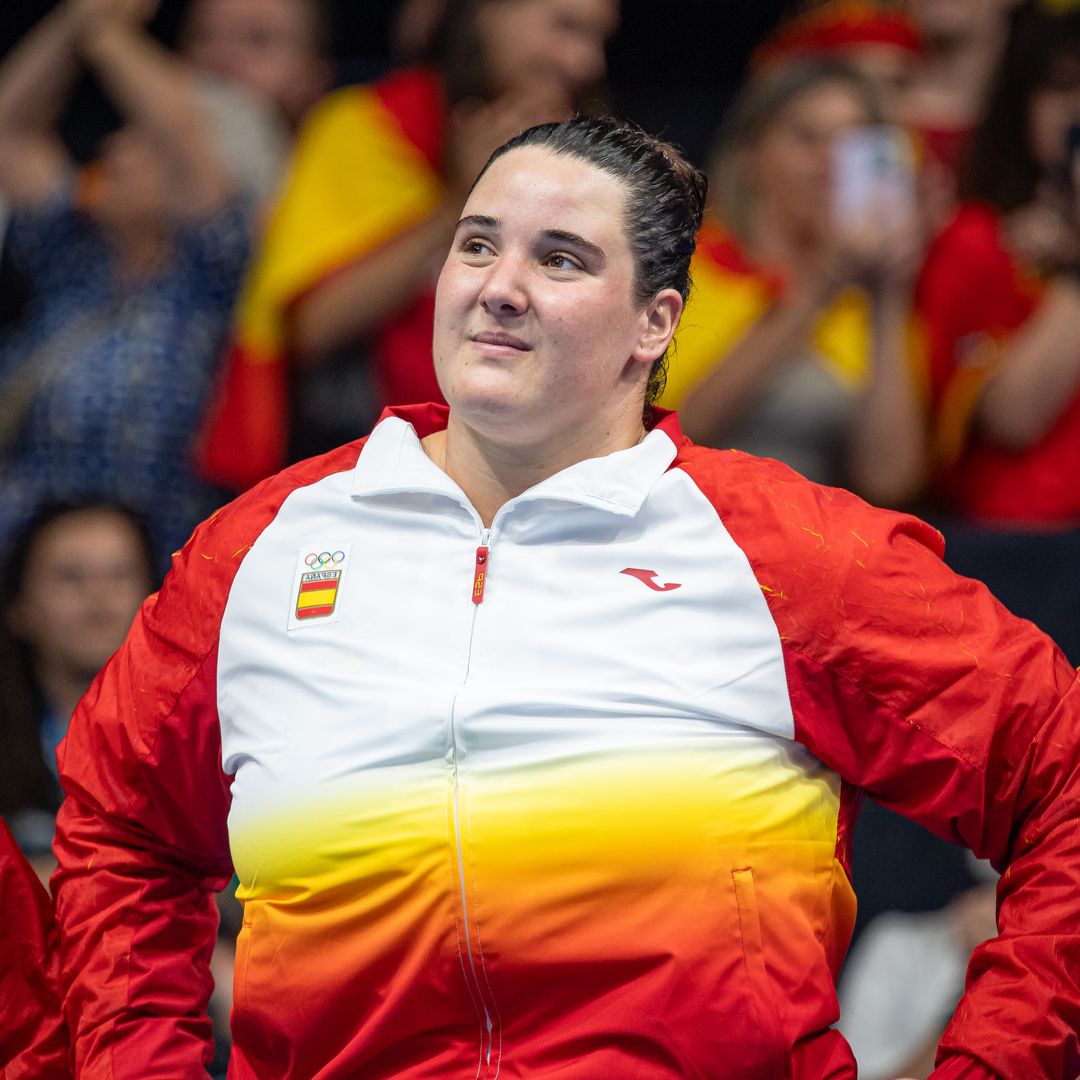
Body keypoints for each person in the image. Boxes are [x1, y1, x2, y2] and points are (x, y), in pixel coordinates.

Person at [51, 116, 1078, 1078]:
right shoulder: (264, 549)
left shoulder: (790, 556)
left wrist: (998, 1062)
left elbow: (1061, 780)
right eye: (477, 244)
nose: (500, 286)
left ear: (653, 322)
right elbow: (119, 831)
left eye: (560, 258)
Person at [195, 0, 619, 490]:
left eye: (597, 39)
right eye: (565, 27)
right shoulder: (368, 124)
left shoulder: (592, 158)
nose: (586, 62)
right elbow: (311, 327)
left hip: (536, 468)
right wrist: (460, 202)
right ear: (484, 15)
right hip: (372, 469)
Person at [0, 0, 253, 570]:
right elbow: (9, 131)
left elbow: (179, 130)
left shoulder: (207, 271)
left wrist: (105, 33)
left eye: (139, 145)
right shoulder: (70, 255)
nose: (111, 152)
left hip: (155, 553)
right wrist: (71, 19)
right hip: (29, 552)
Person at [662, 58, 927, 508]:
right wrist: (823, 281)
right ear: (751, 156)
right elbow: (675, 436)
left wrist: (887, 296)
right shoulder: (684, 268)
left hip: (823, 547)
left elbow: (891, 484)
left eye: (852, 144)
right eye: (807, 137)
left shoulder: (870, 300)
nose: (830, 162)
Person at [916, 0, 1080, 662]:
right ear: (1024, 103)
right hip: (1013, 564)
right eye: (1062, 87)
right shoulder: (974, 242)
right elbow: (1013, 414)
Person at [0, 503, 156, 880]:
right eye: (71, 577)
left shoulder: (205, 737)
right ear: (19, 608)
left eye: (120, 575)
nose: (98, 596)